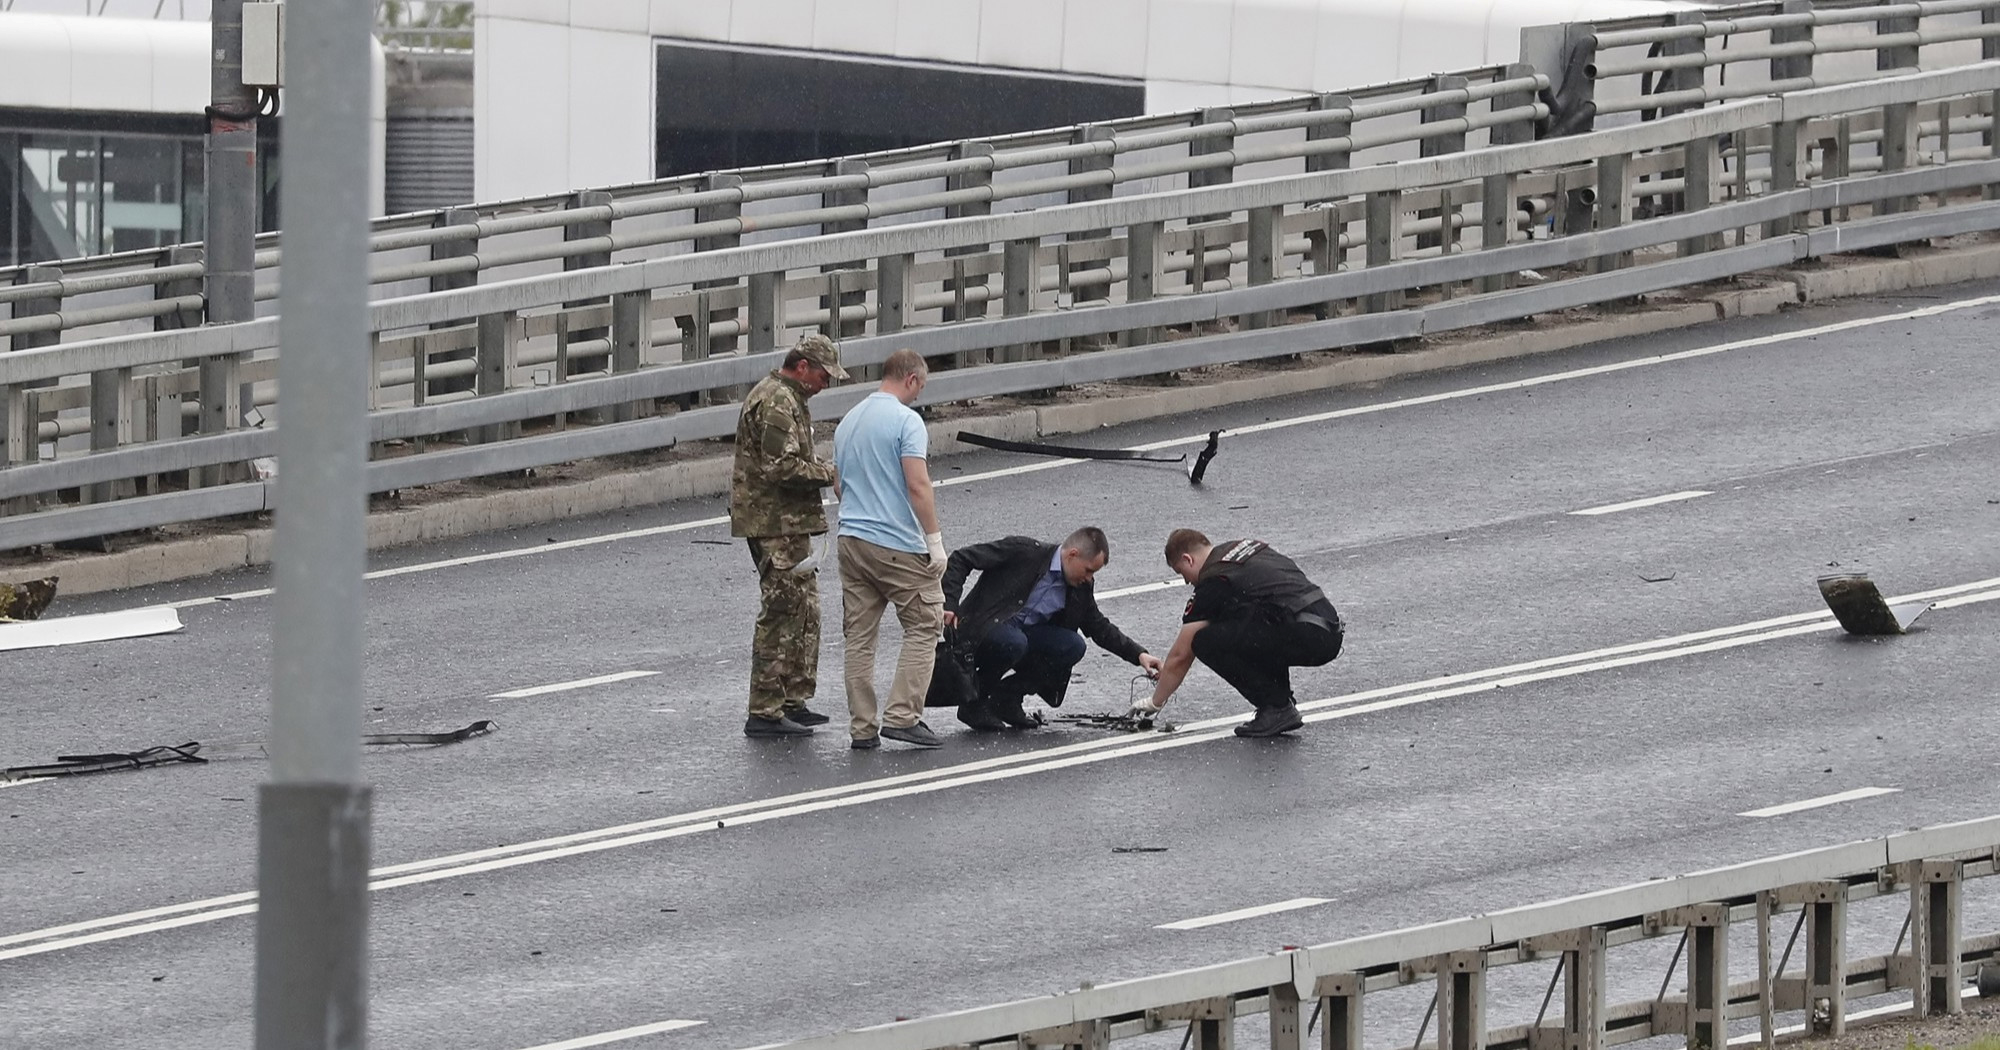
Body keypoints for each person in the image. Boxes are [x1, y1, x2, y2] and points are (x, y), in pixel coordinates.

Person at [729, 333, 848, 738]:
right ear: (801, 367)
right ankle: (764, 710)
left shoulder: (789, 397)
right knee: (781, 614)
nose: (825, 384)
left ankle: (791, 700)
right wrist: (830, 473)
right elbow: (780, 467)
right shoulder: (777, 400)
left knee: (805, 610)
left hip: (789, 523)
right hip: (773, 523)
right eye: (822, 375)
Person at [832, 348, 947, 750]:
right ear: (911, 379)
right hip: (894, 542)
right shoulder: (906, 421)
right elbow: (918, 485)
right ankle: (902, 715)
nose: (918, 396)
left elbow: (839, 485)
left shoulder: (848, 421)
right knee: (925, 621)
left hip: (851, 540)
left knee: (859, 637)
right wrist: (934, 541)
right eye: (920, 387)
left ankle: (863, 727)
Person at [940, 528, 1163, 730]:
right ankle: (974, 704)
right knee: (1014, 641)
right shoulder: (1024, 552)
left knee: (1073, 646)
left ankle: (1006, 698)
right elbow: (962, 558)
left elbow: (1098, 626)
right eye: (1088, 570)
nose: (1089, 578)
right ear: (1072, 554)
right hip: (982, 631)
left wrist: (1138, 654)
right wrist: (950, 604)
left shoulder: (1079, 587)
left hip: (1019, 639)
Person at [1133, 529, 1343, 737]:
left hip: (1308, 634)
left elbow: (1181, 654)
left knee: (1205, 641)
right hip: (1326, 625)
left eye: (1181, 573)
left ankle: (1276, 707)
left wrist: (1155, 701)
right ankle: (1279, 701)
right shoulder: (1244, 548)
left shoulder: (1215, 578)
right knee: (1243, 622)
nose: (1187, 582)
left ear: (1188, 560)